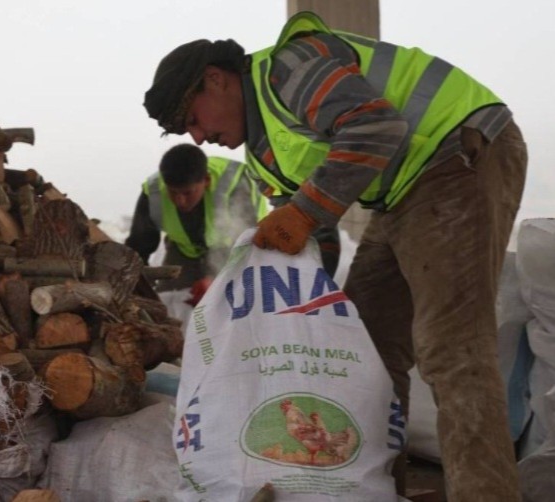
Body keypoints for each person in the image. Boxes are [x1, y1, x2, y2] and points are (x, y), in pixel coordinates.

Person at [143, 11, 526, 502]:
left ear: (216, 80)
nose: (198, 137)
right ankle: (373, 492)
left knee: (452, 350)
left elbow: (376, 126)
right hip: (398, 194)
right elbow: (309, 238)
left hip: (455, 154)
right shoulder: (264, 156)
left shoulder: (289, 68)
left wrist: (304, 212)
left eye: (193, 120)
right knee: (365, 349)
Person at [125, 144, 265, 319]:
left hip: (236, 250)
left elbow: (247, 244)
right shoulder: (153, 193)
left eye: (187, 193)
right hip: (184, 250)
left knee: (231, 304)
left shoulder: (235, 185)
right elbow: (139, 245)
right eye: (173, 192)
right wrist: (133, 283)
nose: (180, 201)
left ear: (206, 180)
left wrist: (216, 278)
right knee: (163, 308)